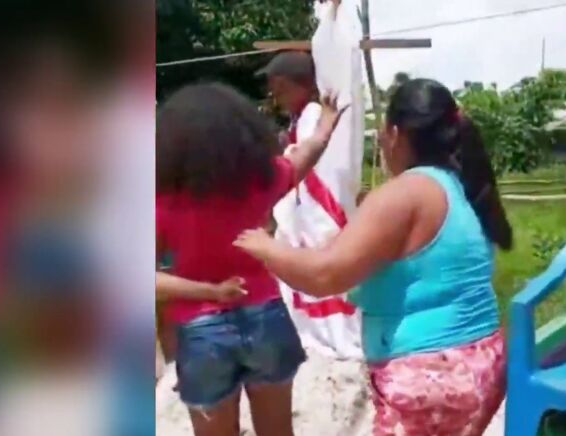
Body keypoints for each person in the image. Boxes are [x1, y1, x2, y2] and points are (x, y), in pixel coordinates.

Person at [235, 78, 512, 436]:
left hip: (432, 374)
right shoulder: (456, 185)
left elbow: (323, 277)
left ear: (395, 134)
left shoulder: (404, 194)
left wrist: (264, 246)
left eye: (381, 133)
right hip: (480, 362)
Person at [156, 82, 345, 436]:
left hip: (201, 330)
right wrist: (325, 125)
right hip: (265, 316)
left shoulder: (162, 202)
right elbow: (302, 158)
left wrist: (210, 293)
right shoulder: (259, 182)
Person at [260, 50, 363, 358]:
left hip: (319, 208)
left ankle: (333, 337)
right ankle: (315, 334)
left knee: (322, 273)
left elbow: (313, 164)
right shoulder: (302, 119)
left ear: (291, 84)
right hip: (304, 207)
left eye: (278, 89)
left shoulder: (314, 115)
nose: (275, 97)